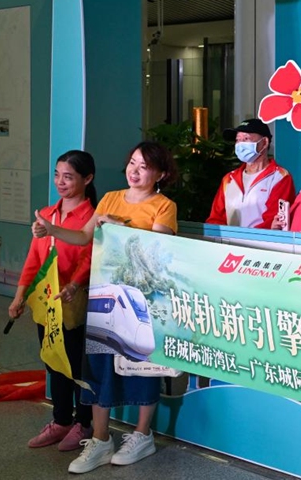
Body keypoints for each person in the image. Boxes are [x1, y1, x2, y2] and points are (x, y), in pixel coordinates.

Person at [32, 141, 178, 474]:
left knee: (142, 366)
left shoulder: (164, 205)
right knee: (99, 366)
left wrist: (116, 229)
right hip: (104, 296)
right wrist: (52, 229)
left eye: (143, 166)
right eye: (132, 163)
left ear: (161, 173)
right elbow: (85, 237)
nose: (134, 170)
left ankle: (143, 434)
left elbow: (154, 252)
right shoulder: (110, 198)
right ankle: (100, 439)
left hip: (141, 301)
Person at [8, 151, 96, 452]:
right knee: (52, 359)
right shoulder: (46, 214)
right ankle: (60, 420)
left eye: (68, 176)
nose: (60, 181)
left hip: (75, 303)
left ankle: (83, 423)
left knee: (76, 365)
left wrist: (74, 284)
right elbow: (35, 260)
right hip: (48, 303)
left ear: (87, 179)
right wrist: (19, 296)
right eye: (57, 175)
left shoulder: (91, 216)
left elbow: (89, 257)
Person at [206, 119, 295, 228]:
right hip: (229, 244)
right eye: (238, 140)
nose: (240, 144)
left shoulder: (280, 177)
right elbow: (216, 219)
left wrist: (246, 238)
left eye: (246, 138)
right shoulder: (229, 179)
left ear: (265, 142)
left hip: (262, 244)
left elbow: (274, 221)